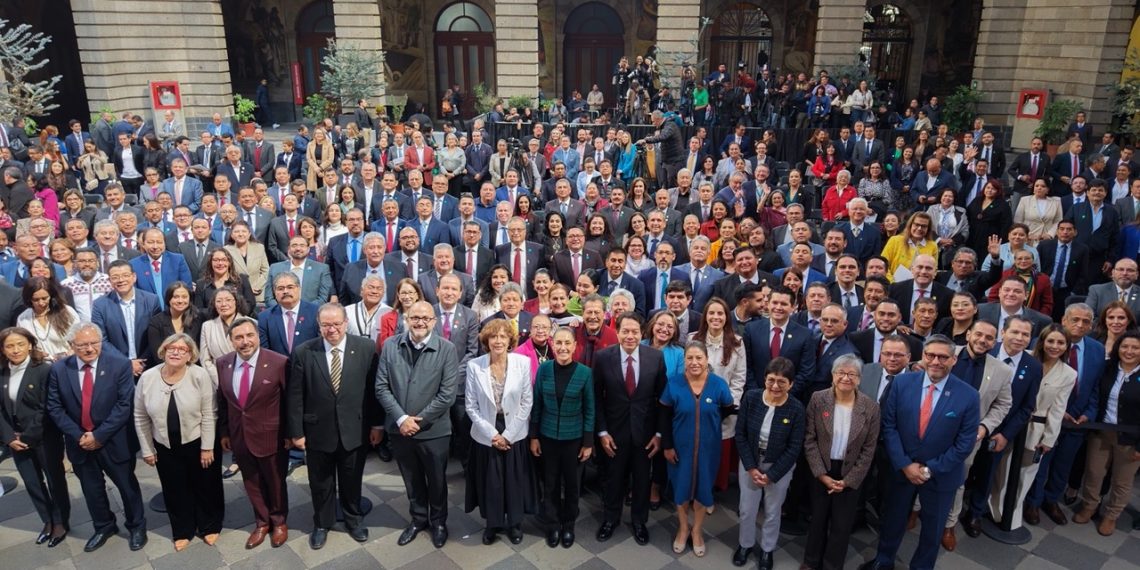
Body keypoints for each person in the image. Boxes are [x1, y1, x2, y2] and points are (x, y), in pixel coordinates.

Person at [859, 335, 980, 570]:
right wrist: (905, 465)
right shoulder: (903, 383)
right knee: (892, 521)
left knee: (933, 530)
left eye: (943, 357)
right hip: (902, 471)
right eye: (930, 355)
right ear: (922, 357)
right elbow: (889, 426)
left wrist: (928, 469)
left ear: (954, 360)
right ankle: (883, 561)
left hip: (940, 475)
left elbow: (965, 444)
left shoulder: (968, 395)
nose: (935, 361)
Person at [46, 322, 148, 552]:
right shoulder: (60, 369)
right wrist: (80, 435)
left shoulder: (119, 365)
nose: (90, 349)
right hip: (79, 442)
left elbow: (124, 405)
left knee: (127, 486)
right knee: (92, 489)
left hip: (114, 440)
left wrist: (99, 435)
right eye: (83, 345)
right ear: (71, 345)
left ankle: (137, 526)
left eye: (94, 343)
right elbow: (54, 407)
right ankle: (103, 525)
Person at [287, 303, 380, 549]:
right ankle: (321, 523)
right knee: (320, 482)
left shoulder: (366, 348)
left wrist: (377, 426)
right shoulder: (304, 352)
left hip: (354, 430)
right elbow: (295, 396)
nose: (332, 330)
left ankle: (353, 520)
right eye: (326, 325)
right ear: (319, 326)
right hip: (317, 431)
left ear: (346, 323)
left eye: (336, 324)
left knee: (352, 480)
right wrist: (296, 432)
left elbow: (372, 392)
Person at [376, 301, 459, 548]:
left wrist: (418, 421)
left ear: (434, 321)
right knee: (411, 480)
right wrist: (402, 419)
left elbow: (447, 395)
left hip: (434, 432)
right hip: (399, 430)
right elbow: (381, 387)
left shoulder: (447, 349)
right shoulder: (391, 345)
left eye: (426, 318)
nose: (420, 322)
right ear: (406, 319)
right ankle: (418, 519)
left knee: (436, 480)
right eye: (415, 318)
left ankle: (439, 522)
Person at [132, 333, 222, 551]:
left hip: (198, 442)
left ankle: (209, 526)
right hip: (164, 446)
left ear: (190, 354)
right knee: (174, 489)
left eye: (182, 349)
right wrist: (147, 448)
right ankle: (182, 530)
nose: (176, 352)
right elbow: (140, 415)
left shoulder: (199, 375)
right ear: (163, 351)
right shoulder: (148, 377)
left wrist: (207, 447)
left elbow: (210, 413)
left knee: (205, 486)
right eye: (171, 348)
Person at [216, 316, 292, 549]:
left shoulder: (279, 362)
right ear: (231, 341)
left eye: (250, 335)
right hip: (240, 436)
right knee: (251, 481)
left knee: (275, 481)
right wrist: (225, 432)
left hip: (272, 435)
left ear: (258, 336)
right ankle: (262, 522)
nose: (245, 341)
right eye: (238, 337)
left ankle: (279, 522)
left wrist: (290, 434)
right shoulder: (223, 363)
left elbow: (290, 401)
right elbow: (223, 401)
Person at [593, 311, 668, 545]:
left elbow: (662, 399)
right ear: (617, 332)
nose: (630, 336)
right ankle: (610, 519)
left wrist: (658, 434)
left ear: (641, 333)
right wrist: (602, 432)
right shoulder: (603, 357)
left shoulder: (655, 357)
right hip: (613, 433)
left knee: (642, 480)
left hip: (645, 434)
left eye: (634, 331)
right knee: (613, 479)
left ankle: (639, 521)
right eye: (625, 331)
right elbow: (596, 398)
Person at [802, 354, 880, 570]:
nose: (846, 377)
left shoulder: (871, 407)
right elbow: (809, 439)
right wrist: (822, 475)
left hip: (850, 473)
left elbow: (868, 449)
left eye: (852, 374)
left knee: (841, 524)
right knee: (817, 519)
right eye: (841, 373)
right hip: (822, 468)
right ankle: (810, 561)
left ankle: (832, 565)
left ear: (859, 378)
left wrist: (848, 481)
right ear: (833, 375)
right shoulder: (818, 399)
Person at [993, 324, 1075, 529]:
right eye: (1050, 341)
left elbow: (1058, 410)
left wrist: (1049, 439)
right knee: (1001, 471)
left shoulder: (1068, 374)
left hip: (1036, 430)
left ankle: (1011, 516)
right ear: (1042, 341)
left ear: (1067, 346)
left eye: (1060, 342)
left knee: (1025, 475)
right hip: (1011, 422)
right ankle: (995, 510)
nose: (1054, 346)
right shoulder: (1026, 357)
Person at [464, 318, 537, 545]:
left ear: (510, 340)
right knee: (491, 481)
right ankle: (492, 524)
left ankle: (515, 524)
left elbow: (527, 402)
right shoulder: (475, 365)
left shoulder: (522, 363)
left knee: (514, 481)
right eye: (493, 336)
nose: (498, 341)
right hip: (487, 432)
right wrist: (493, 435)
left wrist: (507, 435)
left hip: (514, 430)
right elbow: (471, 406)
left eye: (503, 336)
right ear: (486, 340)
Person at [660, 341, 733, 557]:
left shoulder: (718, 385)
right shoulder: (674, 384)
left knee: (703, 489)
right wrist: (667, 446)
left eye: (698, 358)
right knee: (681, 490)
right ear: (684, 361)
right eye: (689, 358)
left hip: (708, 451)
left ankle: (697, 531)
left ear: (706, 360)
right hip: (679, 450)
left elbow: (727, 409)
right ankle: (683, 529)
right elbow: (664, 417)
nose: (694, 362)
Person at [733, 357, 805, 570]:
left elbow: (794, 447)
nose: (775, 386)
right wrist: (751, 467)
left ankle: (767, 550)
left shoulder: (797, 409)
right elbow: (741, 435)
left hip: (779, 466)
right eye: (771, 380)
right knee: (747, 509)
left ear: (791, 384)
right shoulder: (751, 398)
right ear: (764, 379)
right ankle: (745, 545)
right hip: (751, 463)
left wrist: (772, 475)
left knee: (773, 511)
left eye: (782, 382)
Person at [0, 327, 70, 547]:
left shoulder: (43, 370)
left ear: (30, 344)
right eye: (9, 346)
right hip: (15, 439)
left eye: (20, 344)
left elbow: (46, 407)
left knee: (54, 480)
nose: (15, 350)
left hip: (43, 437)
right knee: (32, 483)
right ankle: (47, 520)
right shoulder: (2, 371)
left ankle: (60, 521)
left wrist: (28, 436)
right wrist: (9, 437)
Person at [529, 326, 594, 548]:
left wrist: (588, 442)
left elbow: (590, 409)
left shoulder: (585, 373)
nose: (563, 347)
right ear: (552, 345)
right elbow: (536, 404)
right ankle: (553, 524)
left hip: (574, 438)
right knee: (550, 484)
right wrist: (534, 436)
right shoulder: (544, 369)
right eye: (559, 343)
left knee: (573, 484)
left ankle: (568, 525)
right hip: (547, 437)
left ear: (575, 346)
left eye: (568, 343)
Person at [1071, 329, 1140, 535]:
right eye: (1125, 346)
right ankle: (1089, 506)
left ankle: (1111, 515)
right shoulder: (1108, 368)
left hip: (1131, 439)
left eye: (1135, 348)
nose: (1129, 351)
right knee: (1094, 472)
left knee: (1122, 480)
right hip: (1101, 431)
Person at [16, 276, 78, 361]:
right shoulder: (23, 318)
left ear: (51, 296)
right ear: (29, 299)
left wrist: (72, 350)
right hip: (39, 366)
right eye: (36, 299)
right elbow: (22, 345)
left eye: (44, 298)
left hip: (66, 362)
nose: (41, 303)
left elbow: (79, 338)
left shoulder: (67, 312)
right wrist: (33, 353)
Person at [145, 281, 202, 368]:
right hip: (165, 369)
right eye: (176, 297)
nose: (180, 301)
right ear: (168, 299)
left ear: (190, 299)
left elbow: (198, 351)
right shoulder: (156, 322)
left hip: (192, 369)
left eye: (184, 297)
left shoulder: (197, 319)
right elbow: (158, 355)